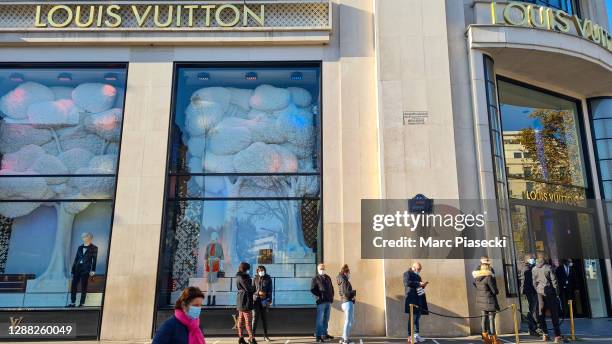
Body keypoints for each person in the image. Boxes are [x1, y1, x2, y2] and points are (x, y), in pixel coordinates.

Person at [532, 254, 562, 343]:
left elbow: (534, 282)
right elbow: (554, 282)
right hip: (550, 293)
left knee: (541, 314)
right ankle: (557, 336)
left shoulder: (534, 269)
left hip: (540, 292)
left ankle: (545, 334)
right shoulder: (548, 268)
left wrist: (538, 289)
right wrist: (557, 294)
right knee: (554, 314)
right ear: (544, 259)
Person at [472, 257, 500, 344]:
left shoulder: (477, 277)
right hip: (489, 301)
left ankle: (485, 339)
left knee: (484, 319)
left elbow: (476, 287)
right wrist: (496, 290)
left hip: (481, 301)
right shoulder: (488, 277)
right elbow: (494, 291)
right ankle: (494, 340)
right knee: (491, 319)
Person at [68, 232, 98, 307]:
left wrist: (93, 270)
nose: (83, 238)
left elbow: (94, 260)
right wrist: (73, 269)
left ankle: (82, 303)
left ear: (89, 238)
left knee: (84, 286)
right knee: (74, 285)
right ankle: (72, 302)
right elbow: (76, 259)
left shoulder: (94, 248)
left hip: (86, 269)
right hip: (77, 268)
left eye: (85, 237)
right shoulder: (80, 247)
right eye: (82, 237)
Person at [403, 262, 428, 344]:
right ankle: (410, 336)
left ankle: (416, 335)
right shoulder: (407, 273)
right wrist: (418, 283)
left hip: (419, 299)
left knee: (417, 318)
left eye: (420, 269)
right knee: (412, 318)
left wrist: (423, 285)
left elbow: (418, 285)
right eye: (418, 269)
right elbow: (407, 283)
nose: (419, 271)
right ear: (414, 267)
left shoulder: (418, 276)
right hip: (412, 299)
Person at [311, 263, 334, 342]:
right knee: (320, 320)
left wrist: (332, 297)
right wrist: (319, 295)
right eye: (321, 268)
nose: (322, 270)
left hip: (328, 301)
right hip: (321, 302)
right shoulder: (315, 278)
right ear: (318, 270)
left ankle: (324, 334)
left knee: (326, 319)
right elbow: (312, 289)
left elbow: (331, 287)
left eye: (323, 268)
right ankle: (318, 336)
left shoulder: (328, 277)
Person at [518, 253, 540, 336]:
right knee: (531, 311)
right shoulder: (526, 268)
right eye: (532, 258)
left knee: (532, 311)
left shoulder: (530, 267)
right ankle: (532, 329)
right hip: (529, 292)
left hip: (530, 291)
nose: (533, 259)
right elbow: (530, 282)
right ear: (527, 259)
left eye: (534, 258)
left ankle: (534, 328)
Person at [236, 262, 256, 344]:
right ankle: (251, 338)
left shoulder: (239, 276)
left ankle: (241, 337)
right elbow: (249, 288)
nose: (248, 271)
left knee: (241, 320)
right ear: (245, 269)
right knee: (248, 320)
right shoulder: (242, 277)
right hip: (245, 300)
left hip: (241, 299)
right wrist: (254, 287)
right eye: (248, 269)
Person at [337, 264, 356, 344]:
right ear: (345, 273)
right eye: (348, 273)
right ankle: (345, 339)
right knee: (349, 321)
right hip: (347, 302)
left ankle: (344, 338)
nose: (349, 274)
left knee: (350, 321)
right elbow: (346, 293)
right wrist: (353, 294)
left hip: (345, 302)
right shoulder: (344, 281)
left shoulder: (342, 280)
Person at [253, 265, 272, 342]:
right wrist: (258, 293)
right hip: (256, 300)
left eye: (262, 270)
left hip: (264, 301)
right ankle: (252, 336)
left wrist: (269, 299)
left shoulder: (268, 279)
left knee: (264, 319)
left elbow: (270, 290)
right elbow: (252, 290)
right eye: (260, 270)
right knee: (255, 318)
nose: (261, 272)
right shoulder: (255, 279)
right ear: (257, 271)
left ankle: (266, 336)